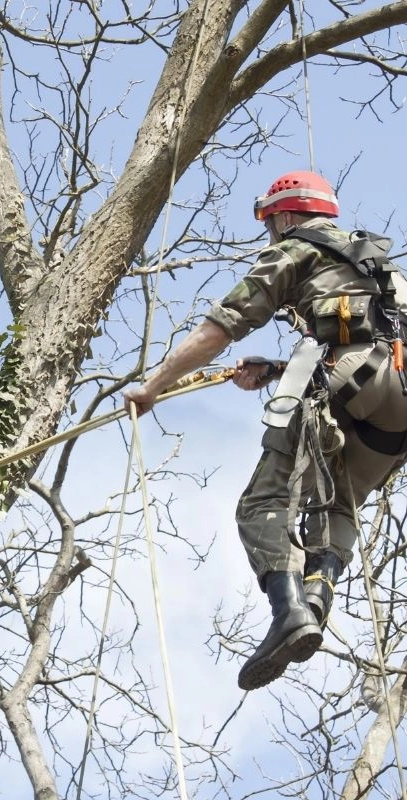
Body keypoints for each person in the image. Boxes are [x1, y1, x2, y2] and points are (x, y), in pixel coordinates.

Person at [124, 170, 407, 691]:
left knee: (261, 505)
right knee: (337, 503)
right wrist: (276, 370)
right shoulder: (377, 265)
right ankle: (317, 593)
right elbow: (371, 336)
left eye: (269, 223)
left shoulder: (295, 250)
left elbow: (221, 327)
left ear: (282, 215)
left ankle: (289, 611)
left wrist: (155, 386)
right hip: (398, 404)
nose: (270, 232)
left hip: (350, 381)